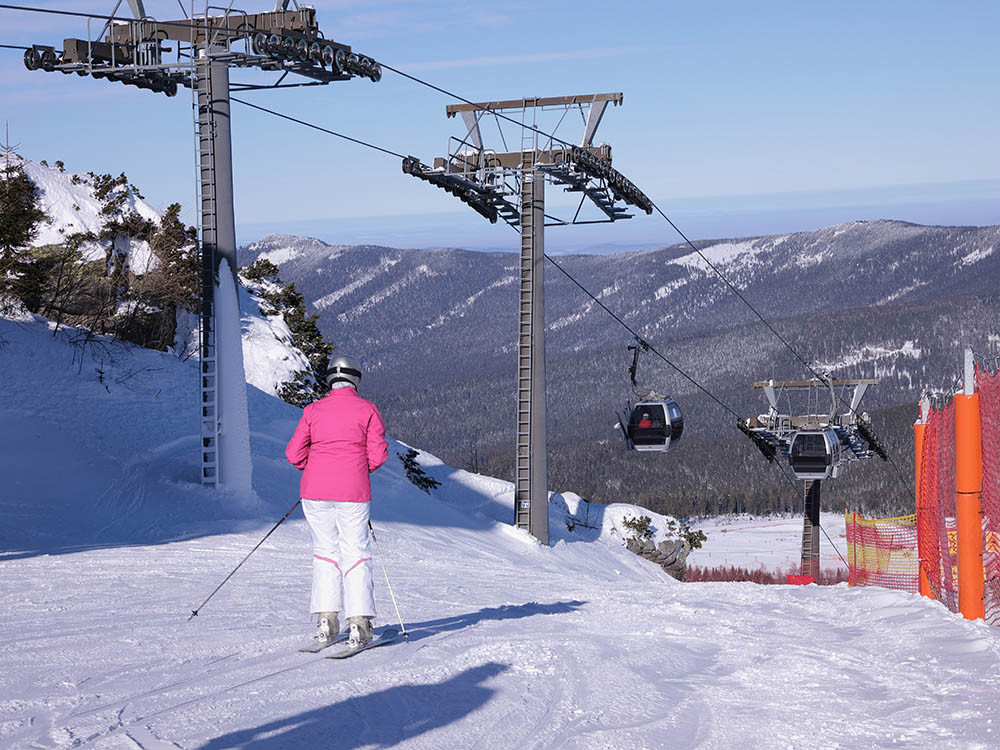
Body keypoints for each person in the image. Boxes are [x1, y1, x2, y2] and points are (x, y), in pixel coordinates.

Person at [285, 354, 388, 648]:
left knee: (325, 553)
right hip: (353, 492)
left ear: (329, 378)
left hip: (314, 492)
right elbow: (378, 455)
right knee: (355, 553)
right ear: (356, 378)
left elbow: (294, 455)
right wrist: (355, 468)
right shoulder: (367, 410)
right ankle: (359, 625)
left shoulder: (313, 410)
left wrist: (317, 468)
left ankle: (326, 623)